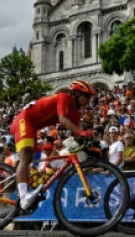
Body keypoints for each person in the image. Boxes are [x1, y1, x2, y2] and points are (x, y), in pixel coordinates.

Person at [11, 80, 93, 210]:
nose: (89, 101)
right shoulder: (63, 97)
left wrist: (87, 148)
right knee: (25, 157)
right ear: (77, 93)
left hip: (34, 126)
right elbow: (63, 120)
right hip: (24, 119)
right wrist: (82, 132)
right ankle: (23, 197)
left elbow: (77, 136)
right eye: (87, 96)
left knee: (29, 159)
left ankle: (8, 205)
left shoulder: (76, 113)